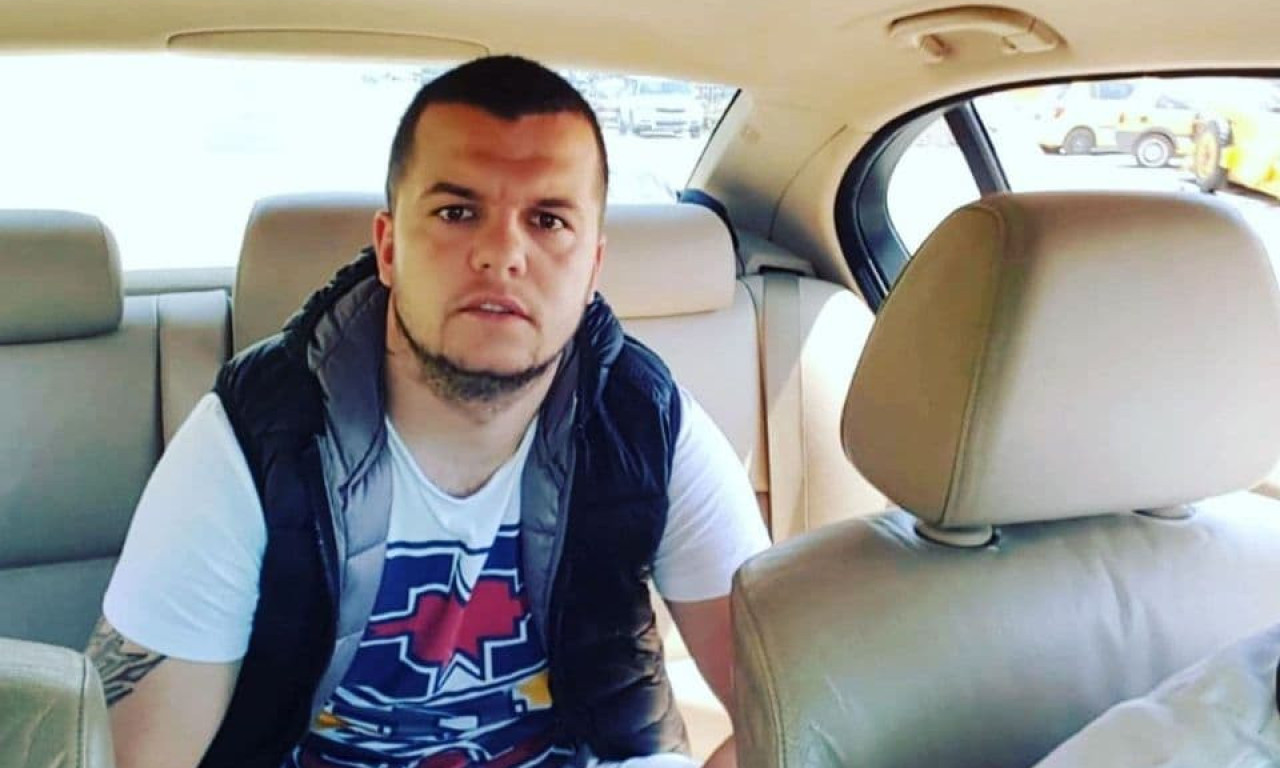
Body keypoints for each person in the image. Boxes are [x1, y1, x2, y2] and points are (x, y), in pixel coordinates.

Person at [87, 55, 769, 768]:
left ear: (592, 268)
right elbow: (138, 757)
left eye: (547, 220)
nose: (502, 254)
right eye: (457, 213)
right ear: (388, 248)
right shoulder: (255, 439)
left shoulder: (644, 423)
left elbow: (791, 703)